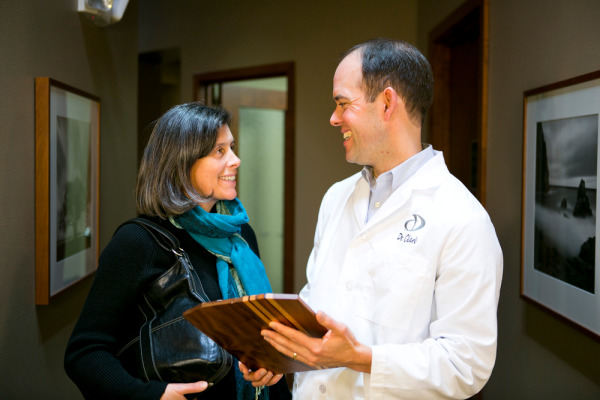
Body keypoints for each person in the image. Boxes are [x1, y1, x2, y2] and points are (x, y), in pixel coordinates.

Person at [243, 39, 503, 398]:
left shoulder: (463, 219)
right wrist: (281, 352)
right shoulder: (336, 197)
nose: (334, 118)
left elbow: (465, 363)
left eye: (342, 103)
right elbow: (318, 300)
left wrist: (361, 358)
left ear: (386, 103)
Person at [64, 103, 291, 400]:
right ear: (181, 163)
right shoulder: (137, 242)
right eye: (219, 151)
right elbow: (84, 354)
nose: (236, 160)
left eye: (232, 148)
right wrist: (152, 396)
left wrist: (269, 365)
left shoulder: (239, 235)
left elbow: (255, 335)